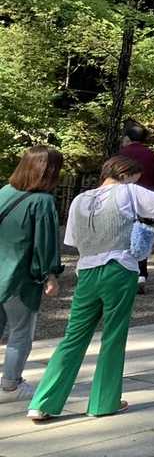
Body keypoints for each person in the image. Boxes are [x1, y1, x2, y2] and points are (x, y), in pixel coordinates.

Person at [27, 154, 154, 422]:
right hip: (119, 267)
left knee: (73, 336)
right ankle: (104, 402)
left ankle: (43, 402)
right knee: (113, 335)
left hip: (87, 270)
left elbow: (72, 239)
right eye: (134, 178)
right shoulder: (129, 191)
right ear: (125, 175)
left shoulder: (80, 199)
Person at [0, 147, 63, 402]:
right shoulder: (43, 201)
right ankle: (11, 385)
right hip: (19, 277)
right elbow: (44, 243)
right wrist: (50, 275)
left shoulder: (4, 192)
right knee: (20, 332)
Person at [117, 122, 154, 292]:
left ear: (127, 138)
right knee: (141, 236)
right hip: (146, 201)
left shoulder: (121, 154)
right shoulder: (152, 155)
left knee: (122, 236)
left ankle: (122, 273)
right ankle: (140, 274)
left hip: (122, 200)